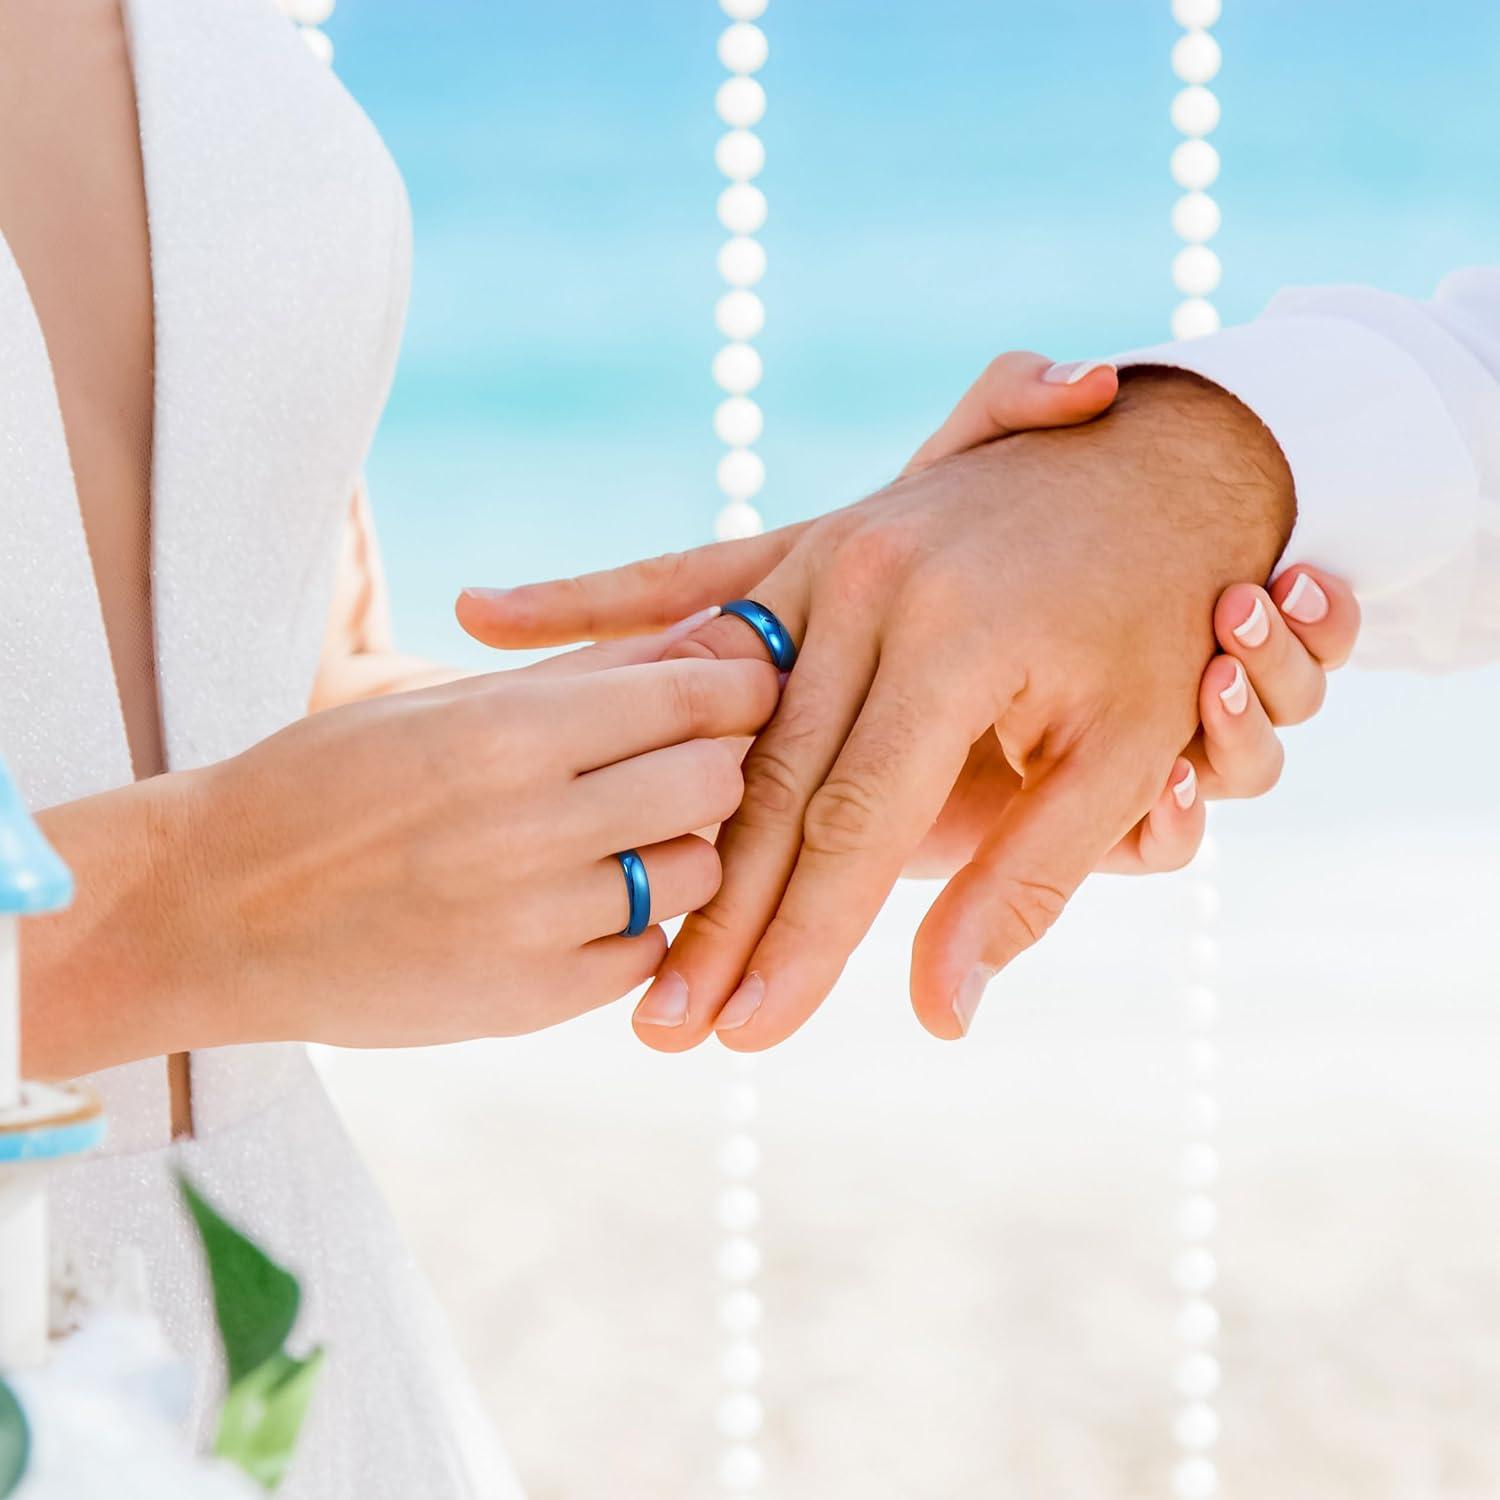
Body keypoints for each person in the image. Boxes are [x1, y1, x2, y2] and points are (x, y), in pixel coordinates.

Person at [0, 1, 1360, 1495]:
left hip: (291, 1319)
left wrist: (824, 736)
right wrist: (177, 911)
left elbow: (260, 694)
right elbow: (219, 843)